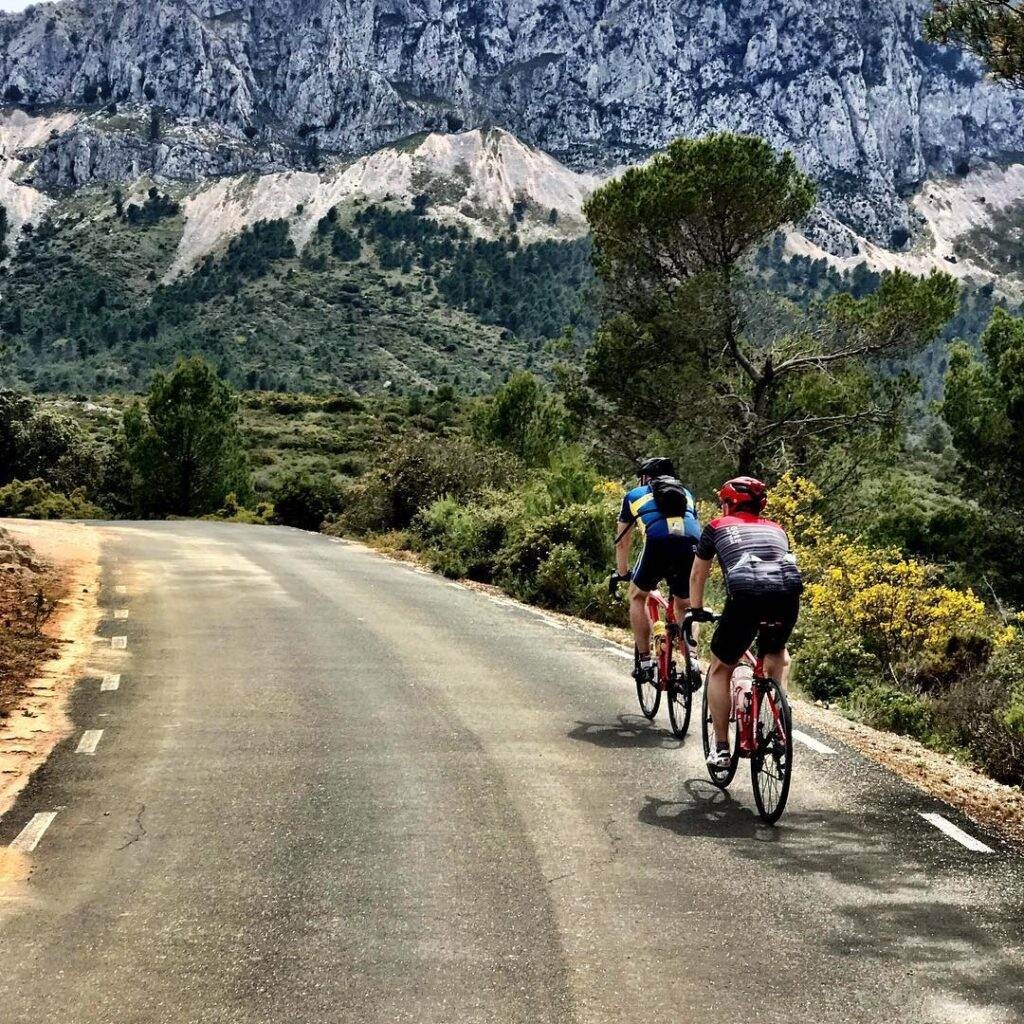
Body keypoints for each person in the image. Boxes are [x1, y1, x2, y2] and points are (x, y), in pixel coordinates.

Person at [688, 476, 803, 769]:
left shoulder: (716, 527)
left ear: (728, 503)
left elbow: (697, 576)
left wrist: (698, 610)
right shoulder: (778, 528)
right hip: (787, 594)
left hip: (746, 595)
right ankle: (779, 718)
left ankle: (722, 749)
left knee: (720, 667)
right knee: (777, 653)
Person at [614, 457, 702, 684]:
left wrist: (623, 572)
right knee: (685, 604)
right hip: (691, 542)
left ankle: (645, 661)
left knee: (637, 596)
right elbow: (693, 526)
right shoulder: (687, 494)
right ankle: (692, 659)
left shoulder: (634, 495)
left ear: (646, 478)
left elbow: (623, 541)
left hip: (657, 542)